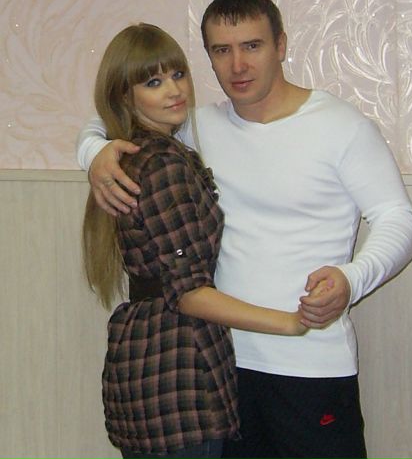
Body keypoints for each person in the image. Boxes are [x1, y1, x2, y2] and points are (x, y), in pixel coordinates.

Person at [78, 0, 412, 459]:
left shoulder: (340, 126)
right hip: (220, 369)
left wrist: (351, 279)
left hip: (310, 362)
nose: (238, 65)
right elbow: (108, 118)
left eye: (252, 46)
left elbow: (400, 220)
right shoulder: (195, 127)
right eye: (222, 50)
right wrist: (95, 154)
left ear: (281, 45)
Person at [82, 22, 317, 459]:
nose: (174, 90)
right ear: (126, 96)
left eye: (177, 74)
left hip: (147, 362)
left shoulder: (140, 154)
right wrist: (290, 323)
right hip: (178, 371)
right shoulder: (162, 164)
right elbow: (188, 292)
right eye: (154, 82)